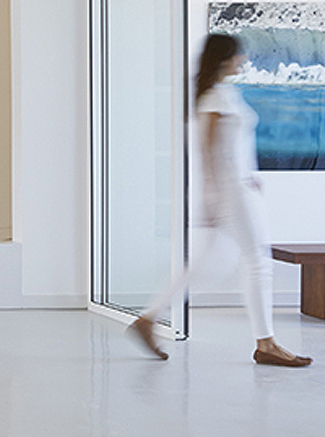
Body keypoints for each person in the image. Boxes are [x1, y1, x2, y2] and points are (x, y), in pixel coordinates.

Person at [131, 32, 311, 366]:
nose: (242, 60)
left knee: (205, 265)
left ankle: (148, 318)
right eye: (238, 55)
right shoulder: (215, 98)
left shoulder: (222, 94)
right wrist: (214, 198)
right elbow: (206, 150)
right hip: (233, 192)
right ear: (225, 59)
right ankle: (266, 344)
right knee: (258, 262)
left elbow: (230, 147)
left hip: (236, 189)